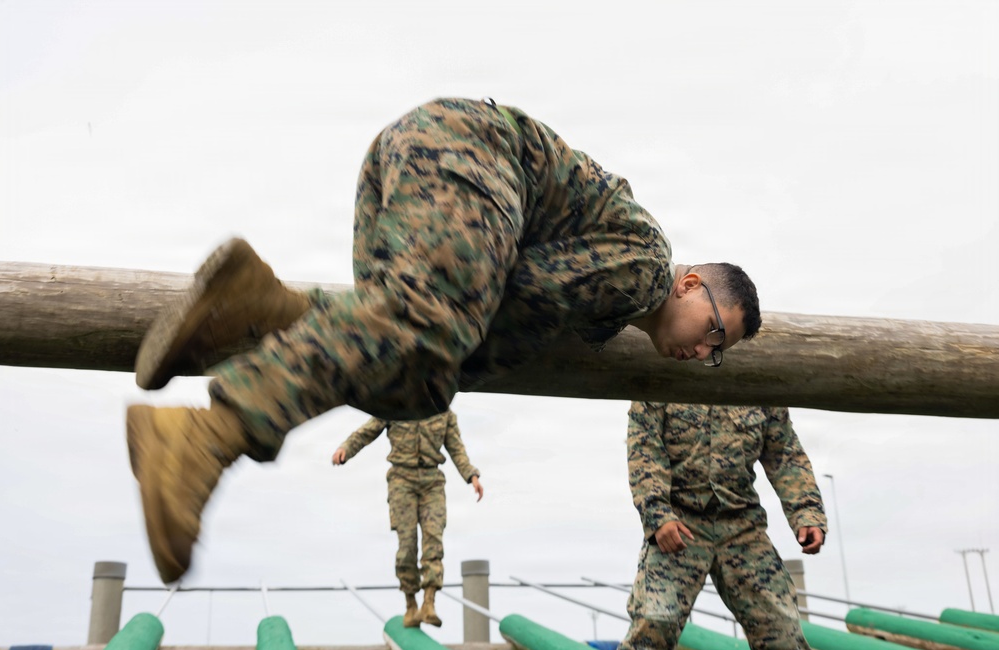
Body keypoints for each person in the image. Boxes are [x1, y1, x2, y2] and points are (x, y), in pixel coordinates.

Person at [125, 97, 763, 584]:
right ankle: (204, 438)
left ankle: (257, 307)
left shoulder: (620, 289)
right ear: (689, 285)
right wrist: (461, 355)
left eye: (719, 352)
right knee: (432, 339)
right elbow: (524, 294)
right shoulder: (647, 269)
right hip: (470, 159)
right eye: (714, 330)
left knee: (414, 379)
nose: (706, 353)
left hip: (421, 157)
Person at [613, 402, 827, 650]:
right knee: (655, 624)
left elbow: (785, 455)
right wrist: (657, 515)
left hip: (741, 527)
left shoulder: (757, 383)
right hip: (678, 524)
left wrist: (807, 513)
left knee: (781, 630)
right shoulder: (661, 378)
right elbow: (644, 448)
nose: (685, 355)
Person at [332, 409, 483, 627]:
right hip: (402, 480)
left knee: (434, 541)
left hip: (432, 482)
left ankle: (429, 603)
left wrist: (472, 476)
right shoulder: (394, 405)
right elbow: (366, 432)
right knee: (407, 547)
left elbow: (456, 447)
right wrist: (345, 448)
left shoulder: (443, 412)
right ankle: (411, 605)